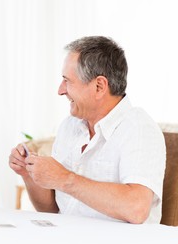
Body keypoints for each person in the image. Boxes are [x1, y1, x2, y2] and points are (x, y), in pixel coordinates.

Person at [9, 36, 166, 224]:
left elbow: (136, 208)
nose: (60, 90)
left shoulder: (138, 128)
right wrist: (29, 174)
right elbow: (51, 209)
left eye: (67, 81)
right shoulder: (70, 126)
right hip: (69, 241)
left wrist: (65, 179)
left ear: (99, 86)